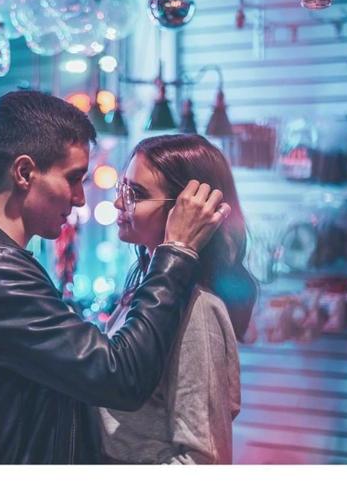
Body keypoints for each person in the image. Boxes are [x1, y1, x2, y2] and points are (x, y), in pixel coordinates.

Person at [0, 91, 230, 464]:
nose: (81, 199)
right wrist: (175, 252)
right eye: (73, 178)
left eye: (135, 194)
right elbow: (120, 376)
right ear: (24, 173)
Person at [99, 134, 257, 464]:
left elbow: (203, 459)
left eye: (136, 194)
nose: (118, 204)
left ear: (187, 208)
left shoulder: (197, 309)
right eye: (122, 189)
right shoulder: (148, 292)